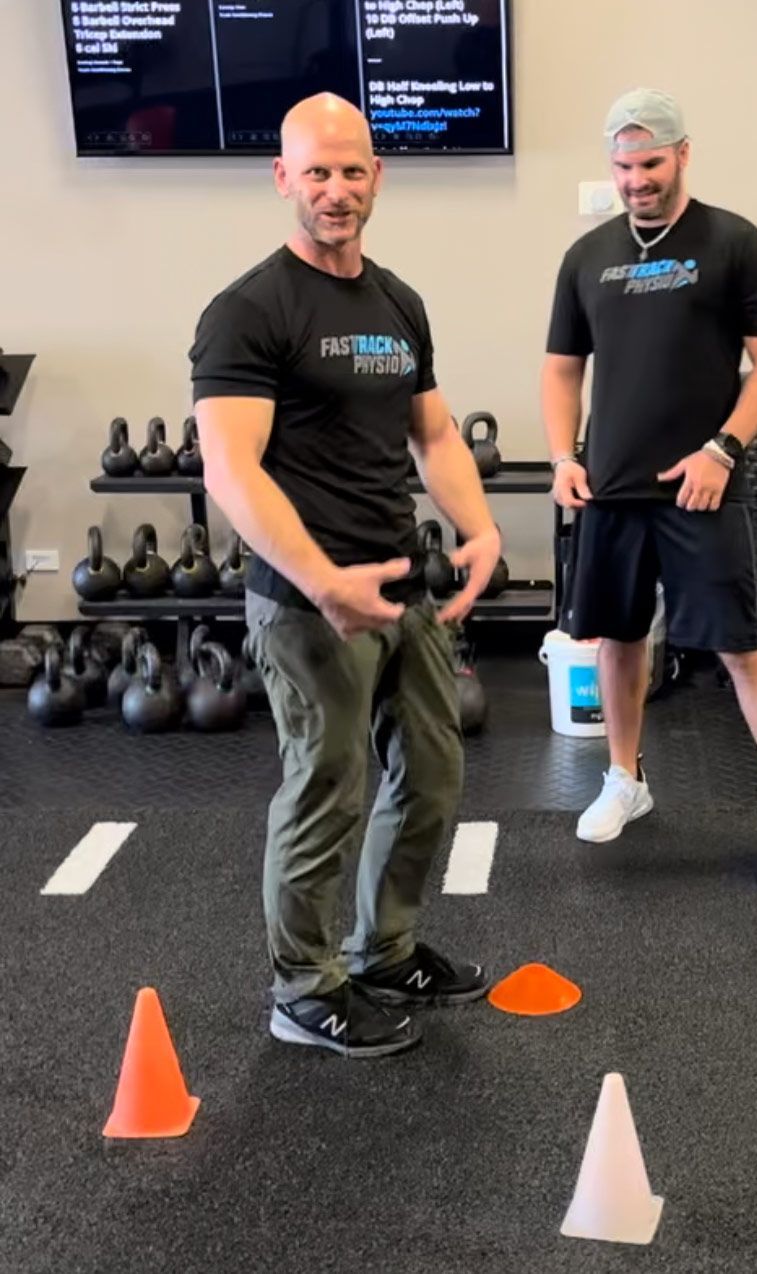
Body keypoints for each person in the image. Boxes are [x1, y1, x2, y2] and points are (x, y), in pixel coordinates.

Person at [189, 94, 503, 1058]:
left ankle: (385, 951)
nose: (336, 189)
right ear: (283, 177)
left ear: (378, 177)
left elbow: (433, 433)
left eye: (352, 170)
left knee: (434, 774)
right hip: (306, 601)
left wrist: (481, 527)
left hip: (402, 586)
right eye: (317, 172)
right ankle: (302, 989)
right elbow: (230, 468)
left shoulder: (398, 302)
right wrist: (322, 579)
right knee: (327, 787)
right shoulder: (249, 310)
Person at [541, 88, 757, 891]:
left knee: (741, 648)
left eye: (651, 163)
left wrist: (722, 450)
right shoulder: (587, 256)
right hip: (612, 487)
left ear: (683, 154)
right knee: (617, 639)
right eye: (623, 166)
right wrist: (563, 457)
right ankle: (624, 779)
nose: (637, 180)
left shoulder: (734, 243)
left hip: (702, 487)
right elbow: (561, 369)